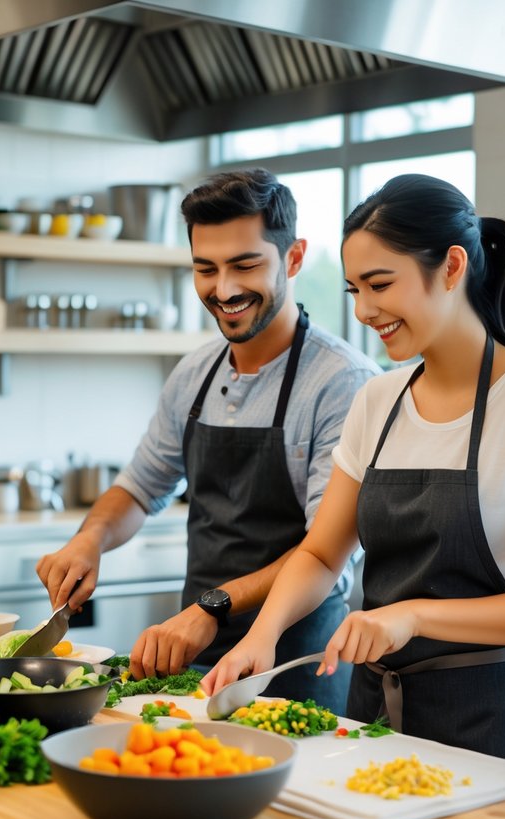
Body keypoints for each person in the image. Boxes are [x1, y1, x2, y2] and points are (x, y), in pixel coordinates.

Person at [202, 173, 505, 773]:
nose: (364, 310)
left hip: (494, 723)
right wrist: (261, 634)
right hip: (376, 721)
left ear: (452, 266)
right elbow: (319, 555)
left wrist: (412, 616)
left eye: (380, 284)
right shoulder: (378, 400)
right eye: (353, 289)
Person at [36, 169, 381, 714]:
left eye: (245, 265)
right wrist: (89, 540)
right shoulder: (194, 373)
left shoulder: (344, 384)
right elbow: (140, 487)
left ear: (293, 259)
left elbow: (325, 549)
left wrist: (213, 606)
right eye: (206, 269)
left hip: (292, 661)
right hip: (190, 652)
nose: (223, 290)